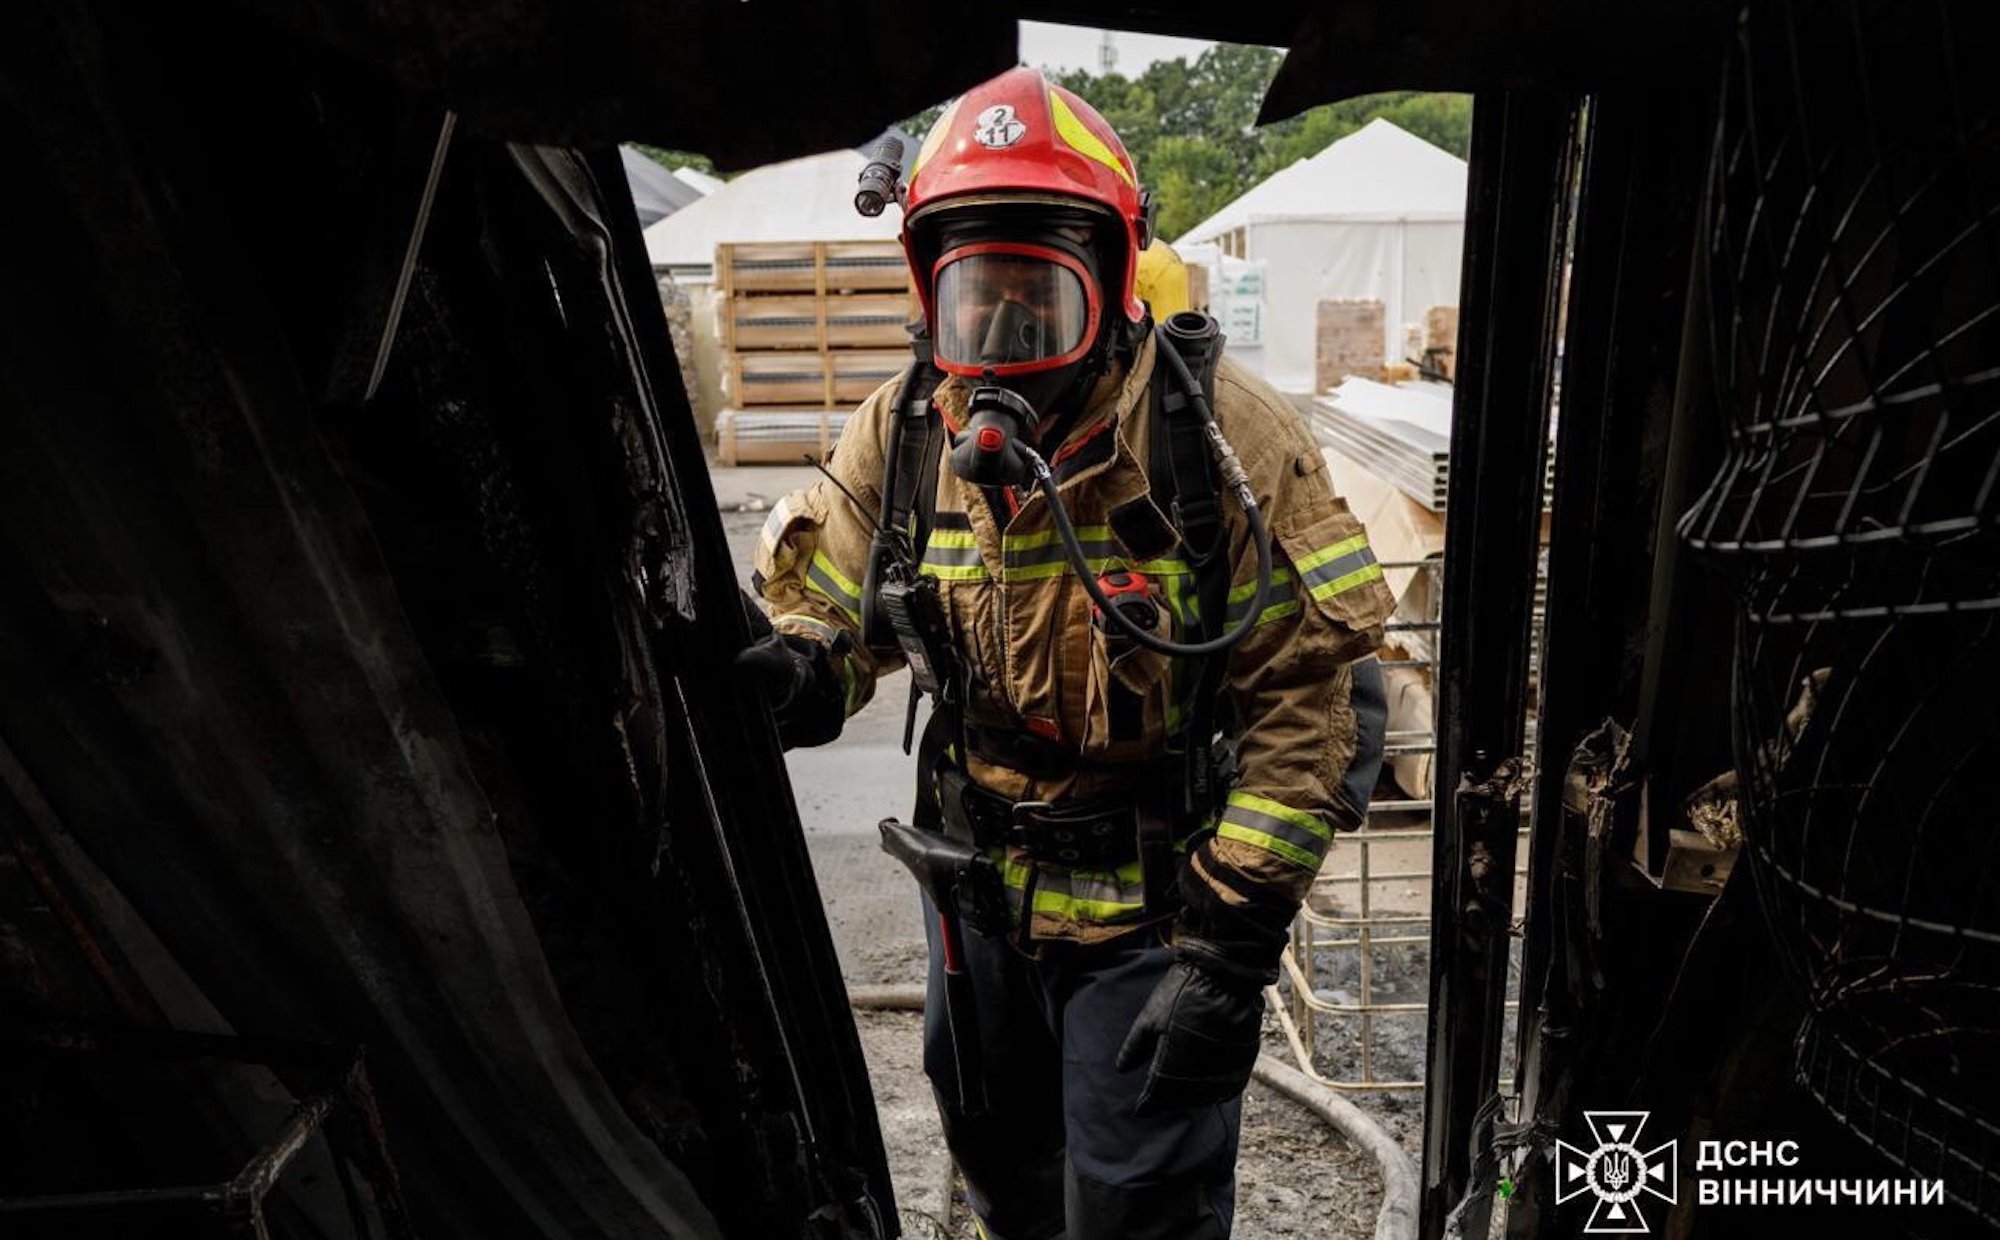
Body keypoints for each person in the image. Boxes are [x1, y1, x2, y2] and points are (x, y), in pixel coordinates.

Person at [738, 66, 1393, 1240]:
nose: (997, 337)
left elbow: (1308, 705)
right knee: (1005, 1181)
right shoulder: (896, 434)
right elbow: (835, 621)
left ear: (1112, 283)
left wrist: (1230, 949)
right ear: (924, 288)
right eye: (969, 296)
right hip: (976, 908)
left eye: (1036, 297)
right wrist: (796, 671)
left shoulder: (1217, 437)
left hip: (1156, 921)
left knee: (1136, 1207)